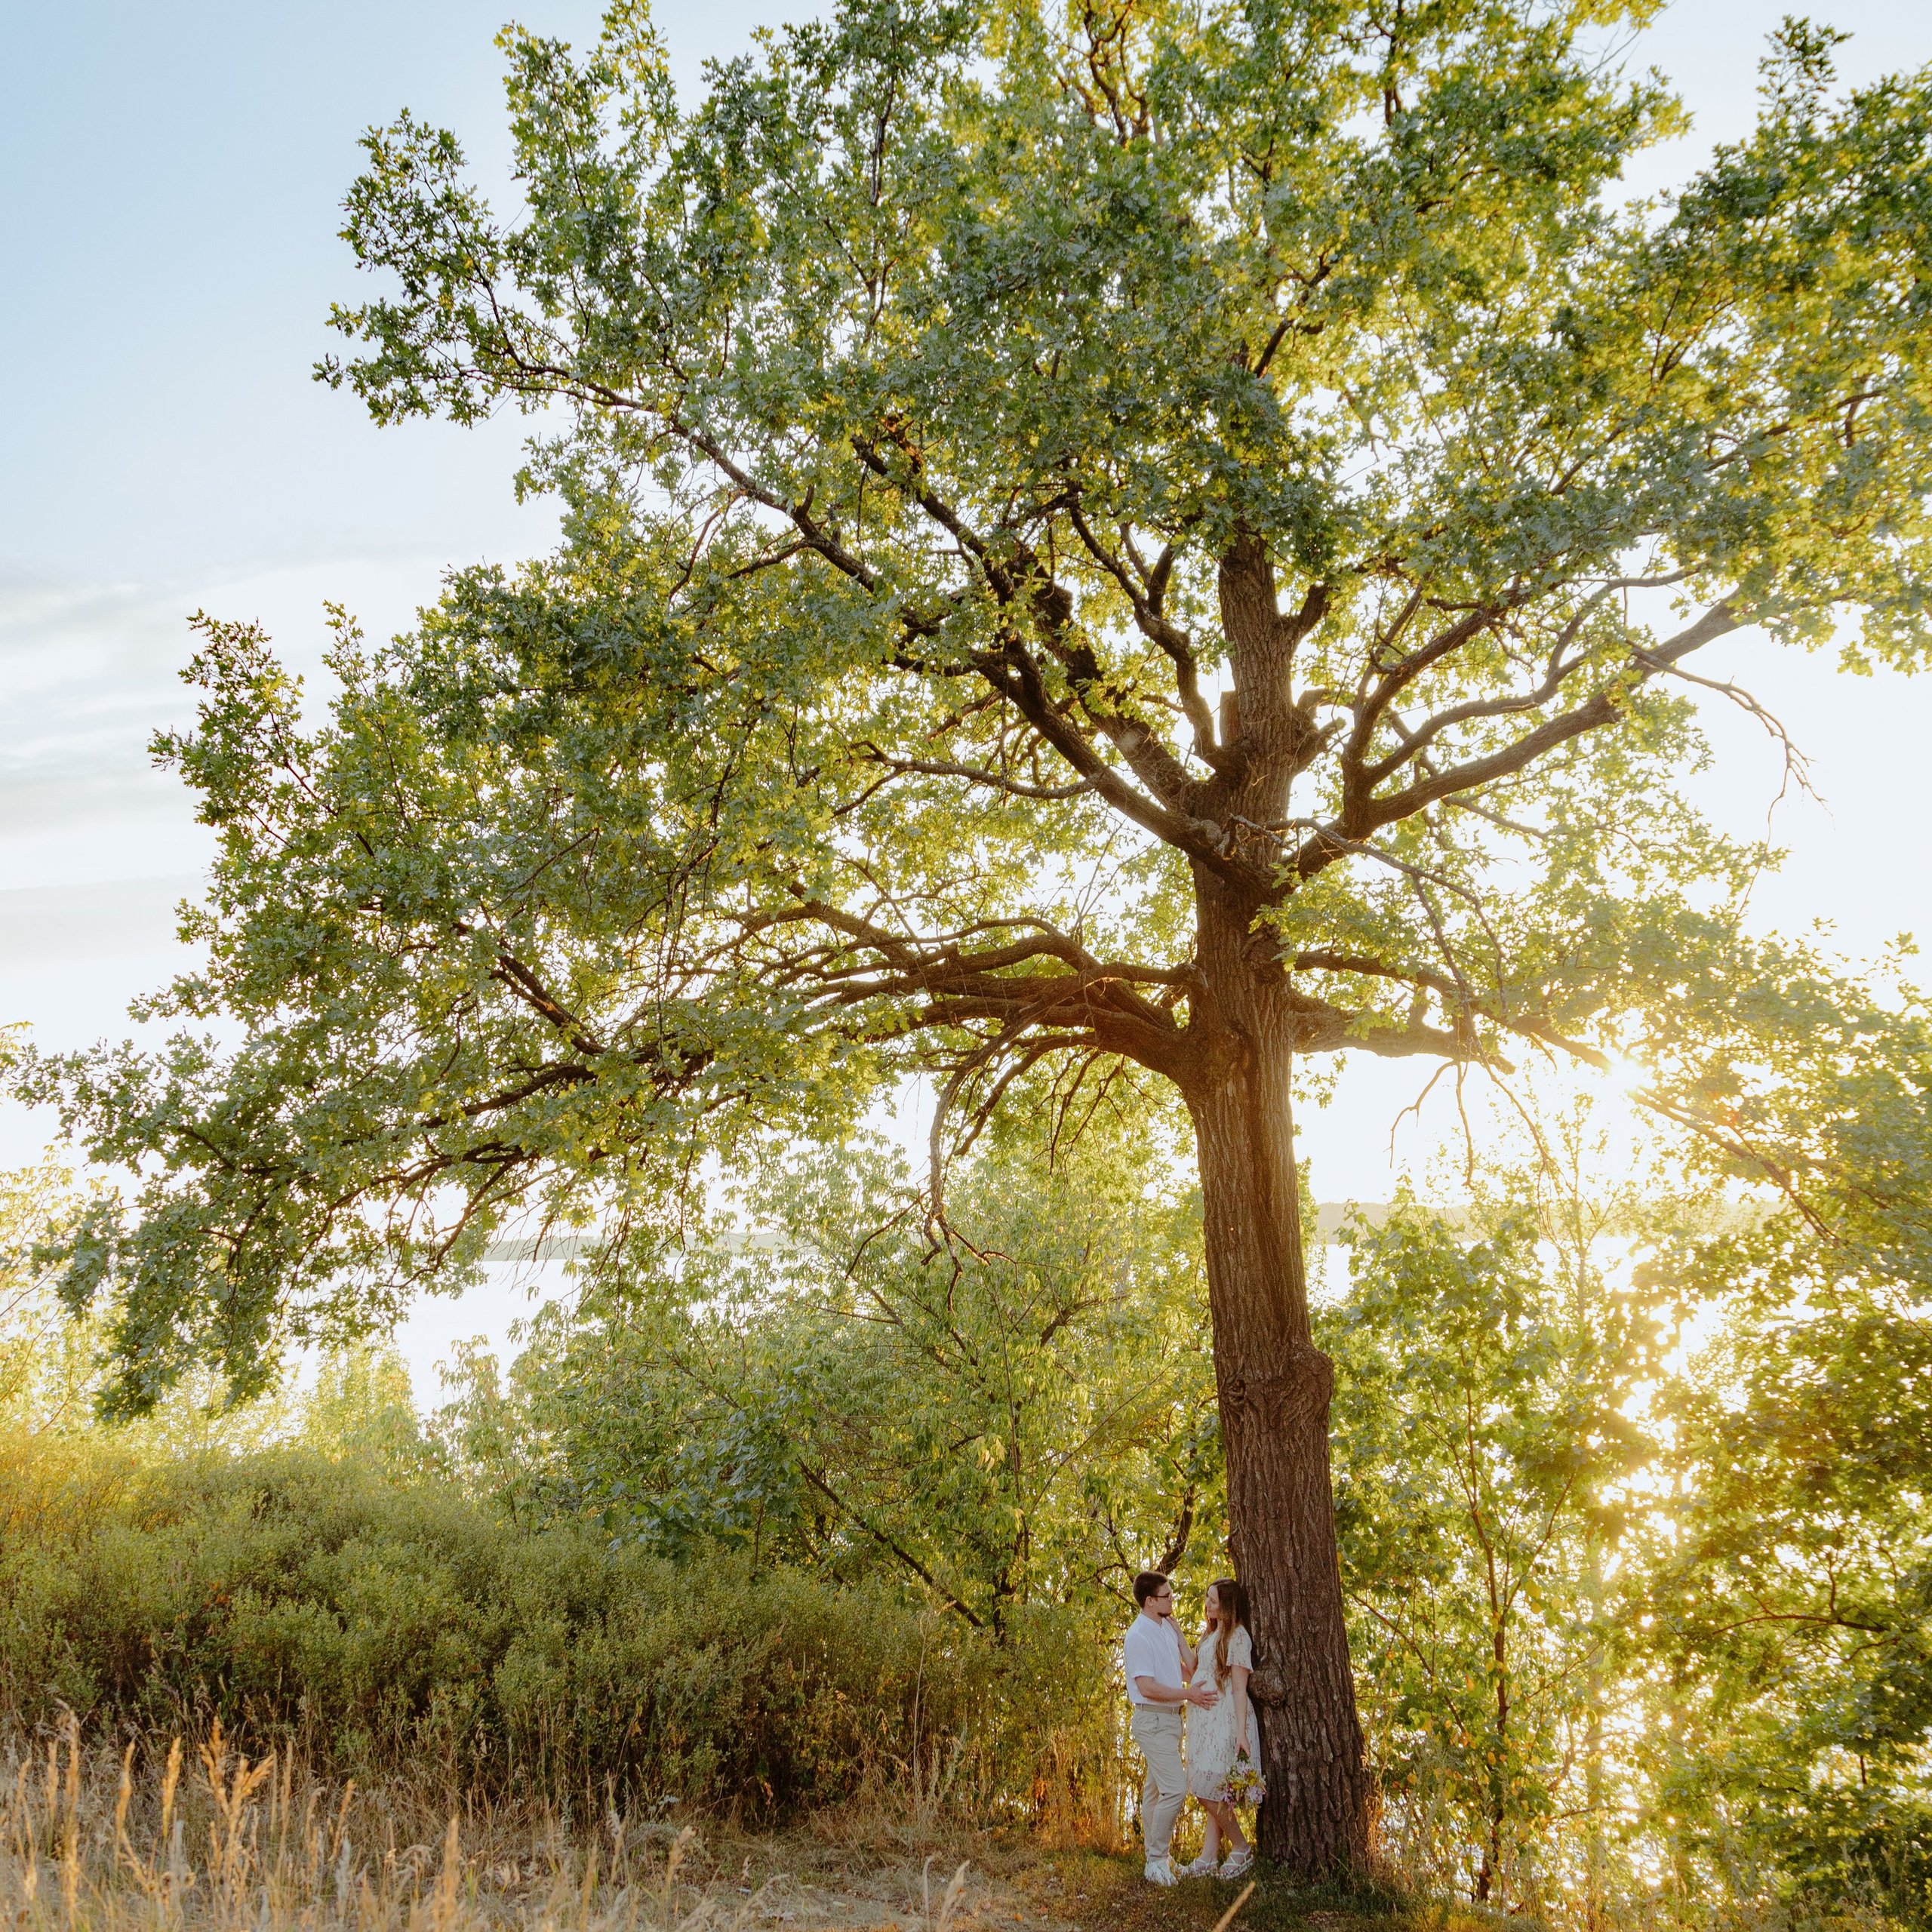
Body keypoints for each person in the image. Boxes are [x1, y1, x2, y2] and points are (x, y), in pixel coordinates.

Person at [1124, 1571, 1216, 1886]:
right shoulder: (1138, 1636)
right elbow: (1147, 1687)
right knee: (1175, 1789)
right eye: (1167, 1597)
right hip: (1152, 1721)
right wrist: (1189, 1695)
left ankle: (1157, 1855)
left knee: (1153, 1792)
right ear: (1150, 1602)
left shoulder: (1164, 1627)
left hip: (1172, 1721)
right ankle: (1156, 1861)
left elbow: (1186, 1670)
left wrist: (1180, 1637)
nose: (1172, 1601)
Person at [1177, 1577, 1256, 1878]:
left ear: (1227, 1606)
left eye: (1213, 1600)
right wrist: (1175, 1636)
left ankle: (1241, 1847)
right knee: (1213, 1785)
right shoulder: (1212, 1635)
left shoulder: (1237, 1637)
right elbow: (1195, 1672)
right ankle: (1209, 1857)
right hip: (1205, 1721)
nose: (1207, 1604)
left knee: (1207, 1787)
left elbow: (1239, 1689)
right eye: (1207, 1598)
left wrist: (1241, 1733)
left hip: (1225, 1720)